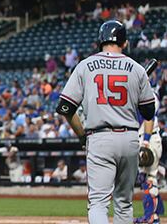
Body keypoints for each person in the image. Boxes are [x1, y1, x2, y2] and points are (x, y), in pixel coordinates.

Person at [56, 20, 156, 224]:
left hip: (99, 137)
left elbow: (65, 108)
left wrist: (82, 135)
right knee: (124, 203)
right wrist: (137, 91)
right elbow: (148, 112)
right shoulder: (136, 69)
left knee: (99, 203)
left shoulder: (85, 65)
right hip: (129, 138)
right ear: (125, 43)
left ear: (100, 41)